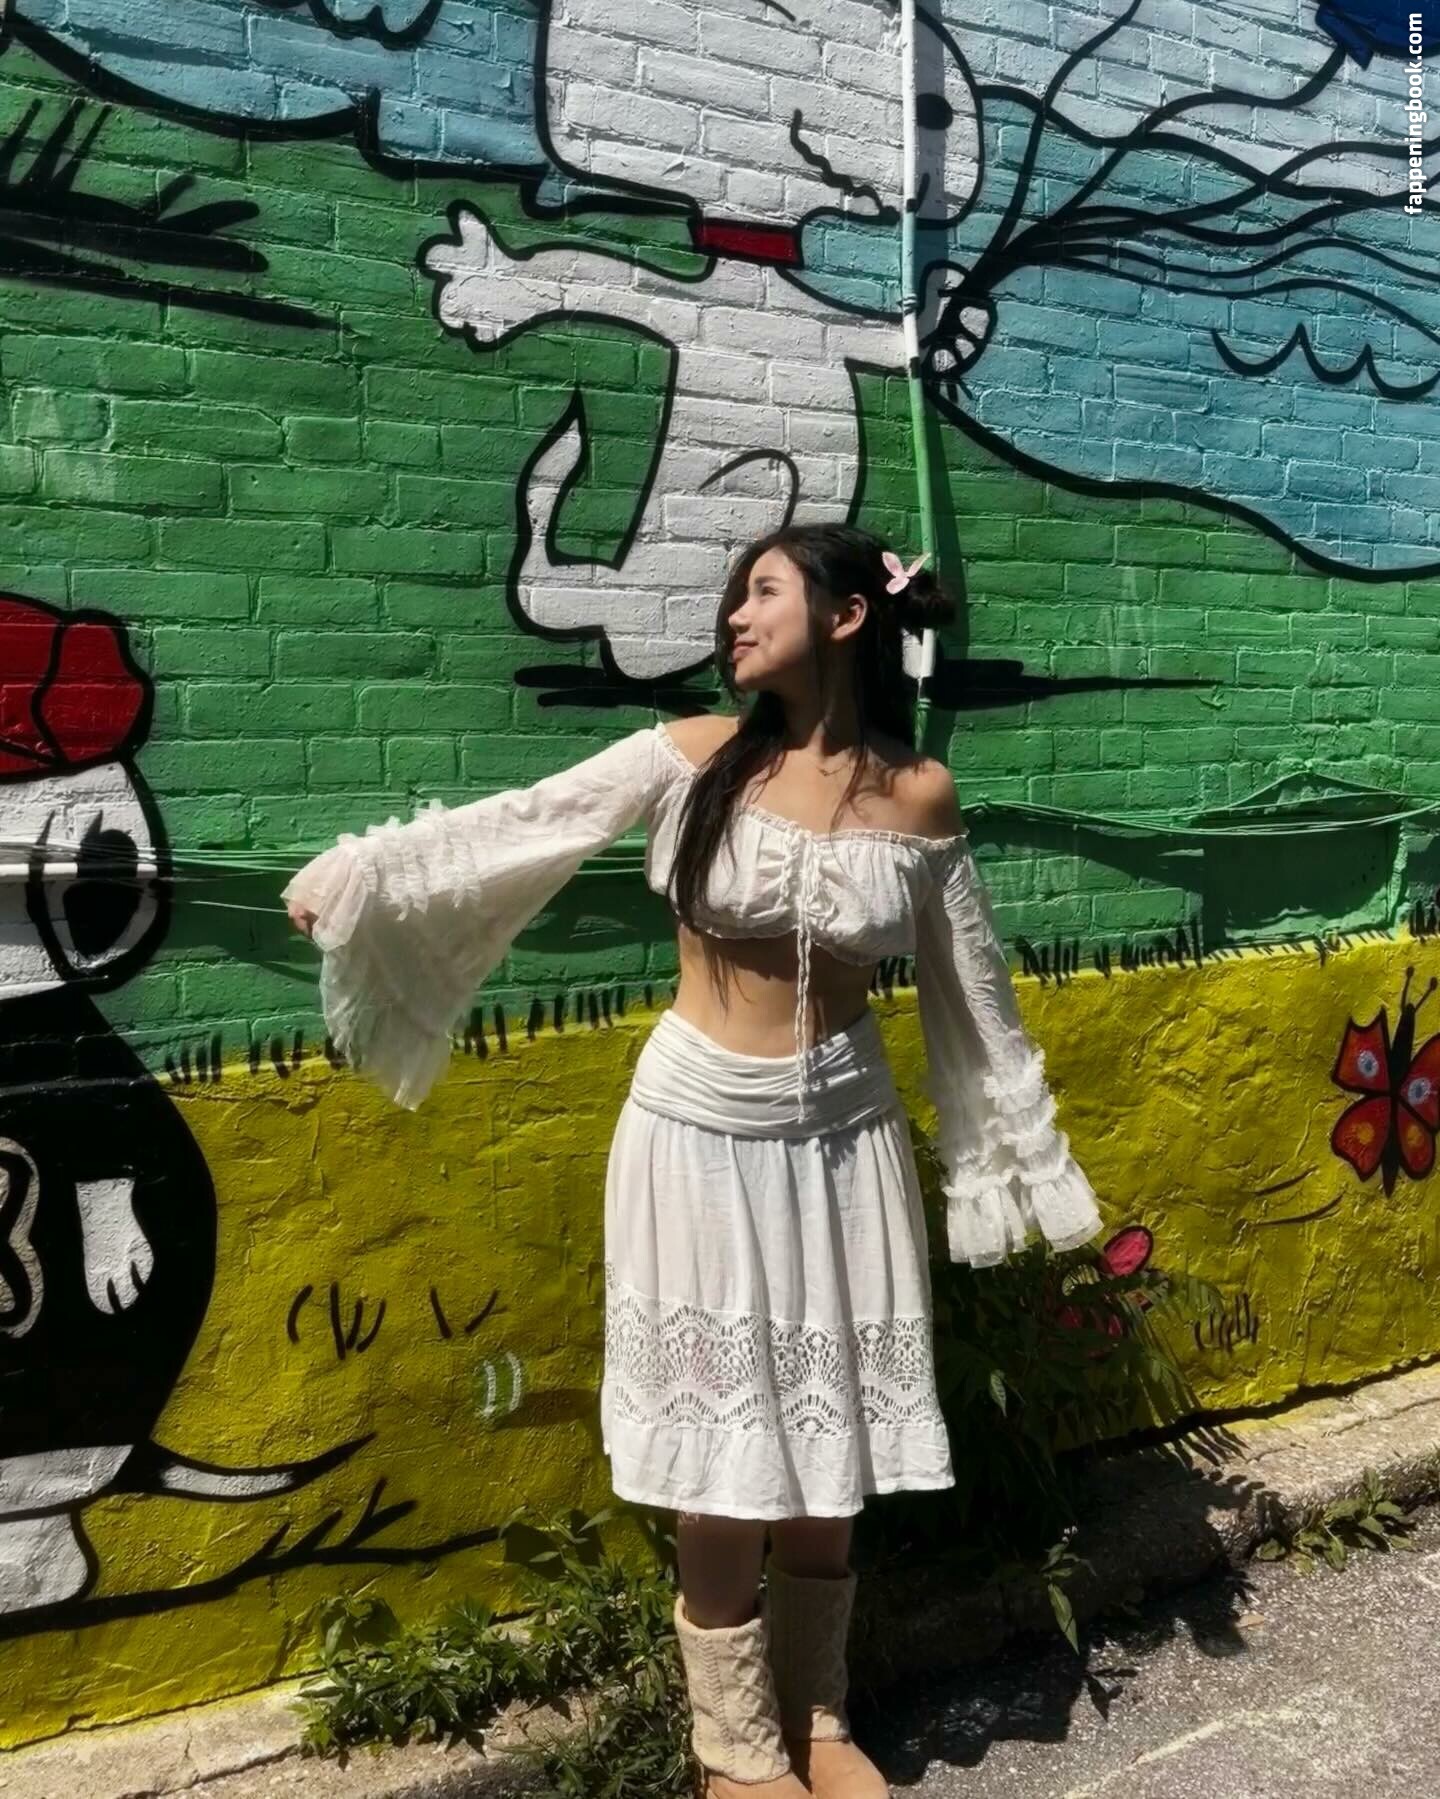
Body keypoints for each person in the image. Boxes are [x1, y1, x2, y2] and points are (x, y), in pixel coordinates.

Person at [283, 522, 1105, 1799]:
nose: (734, 614)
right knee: (727, 1447)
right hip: (697, 1132)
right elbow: (529, 823)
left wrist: (1012, 1160)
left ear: (846, 616)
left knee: (830, 1438)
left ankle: (816, 1712)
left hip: (845, 1139)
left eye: (761, 590)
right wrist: (368, 874)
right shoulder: (693, 756)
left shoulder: (918, 794)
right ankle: (733, 1746)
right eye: (735, 596)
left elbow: (973, 988)